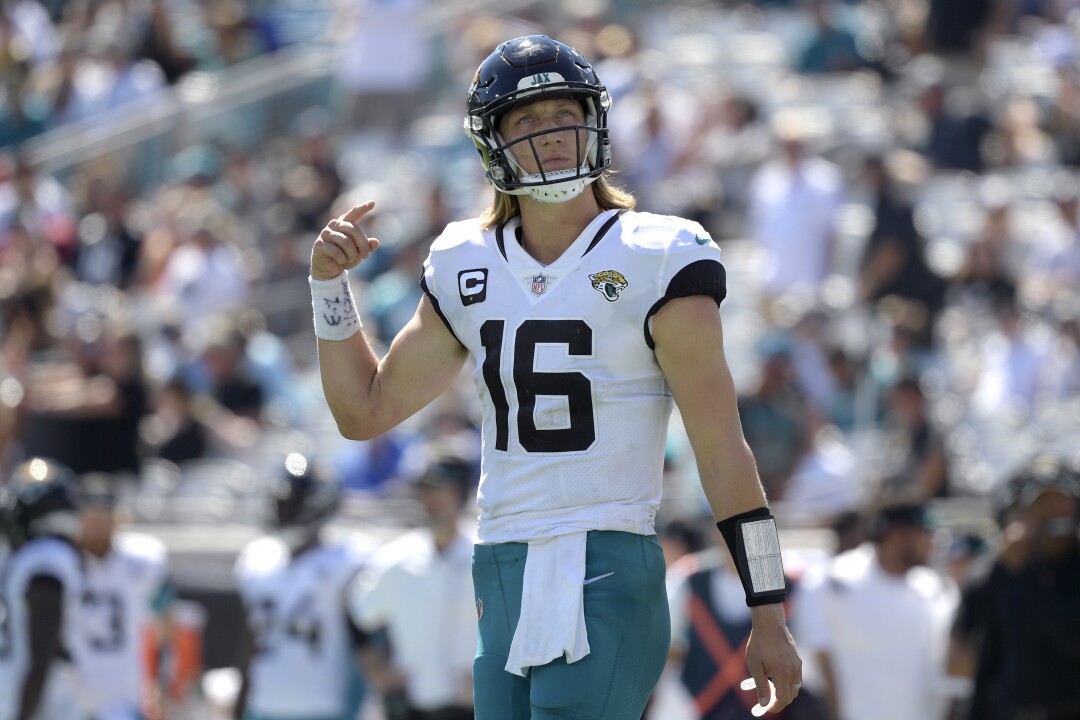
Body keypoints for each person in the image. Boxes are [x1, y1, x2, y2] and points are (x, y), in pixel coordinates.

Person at [309, 34, 802, 719]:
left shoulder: (661, 255)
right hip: (501, 563)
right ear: (493, 144)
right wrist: (329, 288)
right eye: (529, 120)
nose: (554, 133)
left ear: (594, 118)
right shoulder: (463, 261)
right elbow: (363, 412)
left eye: (564, 112)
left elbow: (723, 451)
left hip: (607, 557)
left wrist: (769, 607)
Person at [232, 451, 374, 720]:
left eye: (291, 503)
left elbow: (365, 648)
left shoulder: (347, 562)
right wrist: (239, 709)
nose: (282, 511)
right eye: (280, 503)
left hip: (324, 706)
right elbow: (252, 642)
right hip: (263, 706)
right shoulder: (257, 561)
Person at [347, 444, 479, 719]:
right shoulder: (396, 559)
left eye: (439, 488)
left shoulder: (486, 555)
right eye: (424, 489)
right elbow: (356, 612)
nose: (429, 500)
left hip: (474, 707)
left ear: (460, 492)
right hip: (412, 708)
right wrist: (377, 670)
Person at [794, 503, 958, 720]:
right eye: (926, 532)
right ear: (897, 534)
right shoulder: (832, 581)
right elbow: (818, 650)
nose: (933, 543)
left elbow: (947, 663)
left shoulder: (936, 589)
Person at [946, 455, 1080, 720]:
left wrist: (1024, 579)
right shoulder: (993, 571)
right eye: (1041, 504)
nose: (1052, 513)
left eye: (1059, 502)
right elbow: (959, 662)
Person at [75, 473, 173, 720]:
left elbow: (166, 625)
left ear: (117, 519)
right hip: (70, 699)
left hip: (122, 699)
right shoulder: (62, 563)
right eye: (91, 517)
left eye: (104, 517)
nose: (97, 527)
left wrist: (160, 682)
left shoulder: (140, 562)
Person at [0, 457, 86, 720]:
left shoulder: (43, 562)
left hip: (40, 706)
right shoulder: (47, 558)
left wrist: (24, 715)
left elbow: (42, 654)